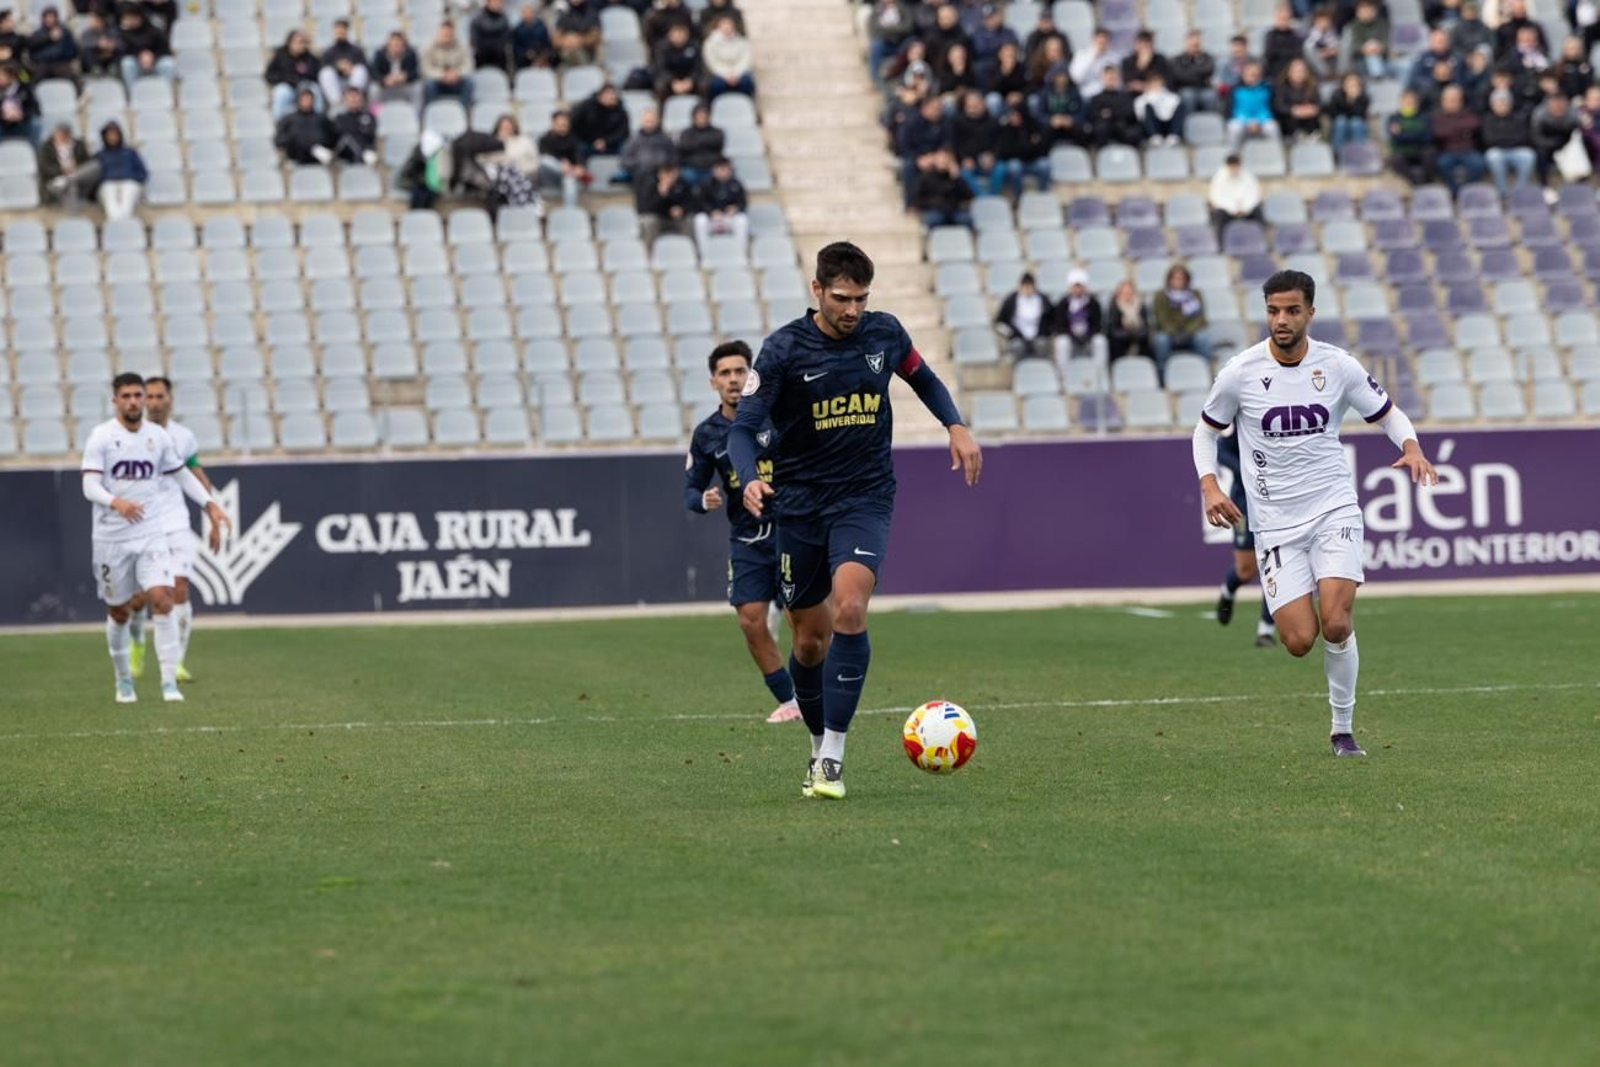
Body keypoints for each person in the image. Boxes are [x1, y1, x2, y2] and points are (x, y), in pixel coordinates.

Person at [728, 241, 981, 800]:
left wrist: (954, 425)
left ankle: (833, 760)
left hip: (864, 498)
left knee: (849, 607)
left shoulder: (884, 334)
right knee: (809, 643)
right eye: (842, 298)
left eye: (861, 299)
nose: (852, 310)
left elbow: (925, 379)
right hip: (798, 507)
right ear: (816, 290)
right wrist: (749, 477)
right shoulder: (784, 350)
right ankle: (817, 744)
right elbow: (743, 428)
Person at [1194, 270, 1437, 757]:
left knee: (1337, 622)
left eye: (1290, 310)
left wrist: (1411, 446)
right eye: (1272, 311)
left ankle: (1342, 730)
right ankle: (1332, 703)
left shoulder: (1338, 366)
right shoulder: (1240, 373)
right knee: (1300, 639)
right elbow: (1205, 431)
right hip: (1275, 523)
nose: (1280, 320)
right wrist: (1209, 485)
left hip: (1333, 508)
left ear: (1309, 312)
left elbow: (1387, 412)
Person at [81, 373, 230, 704]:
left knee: (164, 597)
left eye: (138, 395)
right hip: (111, 538)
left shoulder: (158, 438)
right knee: (120, 611)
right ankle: (123, 681)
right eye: (128, 396)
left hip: (150, 532)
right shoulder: (101, 438)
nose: (135, 401)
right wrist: (115, 502)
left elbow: (182, 474)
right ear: (116, 401)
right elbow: (89, 486)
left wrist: (210, 505)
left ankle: (168, 682)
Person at [684, 341, 800, 725]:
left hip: (791, 529)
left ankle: (813, 691)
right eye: (725, 373)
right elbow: (690, 490)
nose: (733, 380)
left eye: (740, 372)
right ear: (713, 382)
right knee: (750, 620)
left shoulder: (777, 416)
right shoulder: (707, 434)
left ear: (752, 377)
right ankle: (790, 700)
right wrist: (704, 500)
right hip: (748, 538)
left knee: (807, 619)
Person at [128, 377, 215, 684]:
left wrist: (213, 513)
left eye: (158, 396)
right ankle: (137, 643)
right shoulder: (131, 436)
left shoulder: (184, 437)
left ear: (169, 399)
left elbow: (196, 473)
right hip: (142, 522)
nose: (153, 402)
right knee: (139, 598)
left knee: (179, 589)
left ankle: (176, 661)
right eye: (148, 396)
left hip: (176, 521)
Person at [1212, 421, 1277, 648]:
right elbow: (1221, 450)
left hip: (1278, 503)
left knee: (1275, 567)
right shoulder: (1243, 420)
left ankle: (1265, 631)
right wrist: (1248, 471)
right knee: (1245, 570)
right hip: (1243, 503)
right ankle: (1227, 590)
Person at [1150, 264, 1213, 376]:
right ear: (1169, 279)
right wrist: (1174, 332)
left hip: (1190, 333)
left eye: (1181, 278)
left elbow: (1199, 318)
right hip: (1169, 333)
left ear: (1187, 280)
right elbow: (1161, 318)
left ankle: (1207, 372)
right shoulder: (1160, 295)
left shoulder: (1195, 294)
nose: (1178, 281)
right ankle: (1162, 374)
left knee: (1202, 338)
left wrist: (1186, 332)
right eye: (1175, 278)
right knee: (1161, 340)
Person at [1431, 84, 1486, 193]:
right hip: (1448, 151)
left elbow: (1474, 125)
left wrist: (1452, 128)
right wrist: (1461, 129)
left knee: (1479, 164)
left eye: (1455, 100)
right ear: (1443, 101)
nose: (1452, 103)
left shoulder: (1468, 113)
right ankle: (1455, 190)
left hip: (1468, 150)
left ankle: (1465, 189)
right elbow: (1439, 133)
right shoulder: (1437, 116)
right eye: (1449, 100)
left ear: (1461, 101)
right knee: (1442, 164)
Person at [1052, 268, 1108, 372]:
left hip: (1088, 337)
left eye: (1080, 286)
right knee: (1062, 342)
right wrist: (1073, 337)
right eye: (1075, 286)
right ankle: (1063, 375)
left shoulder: (1093, 303)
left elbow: (1097, 324)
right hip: (1070, 337)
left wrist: (1087, 336)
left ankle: (1100, 373)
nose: (1078, 289)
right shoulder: (1063, 303)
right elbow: (1060, 326)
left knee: (1100, 341)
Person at [995, 272, 1054, 360]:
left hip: (1038, 336)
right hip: (1018, 337)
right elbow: (999, 322)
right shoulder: (1011, 300)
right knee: (1016, 346)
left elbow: (1051, 318)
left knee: (1042, 344)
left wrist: (1046, 331)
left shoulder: (1042, 299)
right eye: (1025, 286)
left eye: (1030, 286)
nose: (1027, 289)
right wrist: (1011, 334)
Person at [692, 156, 748, 249]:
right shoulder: (706, 184)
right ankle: (703, 252)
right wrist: (711, 211)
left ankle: (741, 251)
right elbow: (700, 203)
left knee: (742, 220)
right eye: (720, 169)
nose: (723, 171)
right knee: (700, 220)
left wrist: (736, 208)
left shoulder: (736, 184)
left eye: (726, 168)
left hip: (729, 217)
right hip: (712, 218)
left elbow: (743, 203)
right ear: (714, 170)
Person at [265, 29, 322, 119]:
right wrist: (284, 80)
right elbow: (269, 74)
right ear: (289, 43)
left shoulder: (309, 57)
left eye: (303, 42)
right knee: (281, 92)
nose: (301, 45)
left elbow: (315, 74)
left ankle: (317, 120)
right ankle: (279, 124)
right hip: (287, 87)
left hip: (304, 86)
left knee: (315, 89)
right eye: (298, 42)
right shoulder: (280, 55)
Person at [912, 147, 975, 229]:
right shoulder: (926, 177)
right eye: (940, 158)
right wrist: (933, 203)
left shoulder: (956, 177)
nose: (942, 161)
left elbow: (969, 195)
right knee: (933, 220)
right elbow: (918, 199)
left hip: (954, 210)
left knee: (966, 220)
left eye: (945, 159)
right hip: (935, 210)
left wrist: (956, 179)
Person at [94, 121, 146, 220]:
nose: (112, 137)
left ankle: (121, 225)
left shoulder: (130, 152)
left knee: (127, 196)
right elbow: (95, 174)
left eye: (114, 134)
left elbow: (142, 172)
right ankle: (119, 225)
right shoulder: (100, 155)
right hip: (108, 183)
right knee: (110, 201)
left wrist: (132, 177)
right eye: (109, 135)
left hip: (129, 182)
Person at [537, 110, 589, 205]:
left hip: (568, 176)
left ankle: (569, 213)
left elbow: (580, 156)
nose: (562, 124)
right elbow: (545, 154)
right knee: (544, 160)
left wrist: (579, 167)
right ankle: (569, 171)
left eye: (564, 122)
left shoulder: (574, 140)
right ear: (553, 123)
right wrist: (561, 163)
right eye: (559, 122)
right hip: (550, 177)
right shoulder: (544, 139)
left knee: (569, 178)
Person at [275, 87, 337, 164]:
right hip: (297, 154)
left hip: (318, 155)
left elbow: (332, 136)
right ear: (298, 101)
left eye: (309, 99)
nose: (307, 102)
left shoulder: (321, 118)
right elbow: (279, 138)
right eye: (304, 99)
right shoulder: (289, 119)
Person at [38, 121, 93, 206]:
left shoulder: (79, 145)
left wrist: (75, 169)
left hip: (77, 175)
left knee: (94, 167)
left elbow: (87, 162)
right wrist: (63, 171)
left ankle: (69, 181)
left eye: (66, 133)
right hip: (56, 178)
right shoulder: (46, 147)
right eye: (61, 133)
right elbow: (44, 168)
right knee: (71, 186)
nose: (63, 136)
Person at [1386, 88, 1435, 184]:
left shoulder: (1424, 117)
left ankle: (1426, 180)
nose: (1409, 102)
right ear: (1401, 102)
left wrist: (1403, 133)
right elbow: (1395, 139)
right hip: (1401, 151)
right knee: (1394, 160)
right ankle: (1416, 181)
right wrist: (1416, 134)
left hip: (1419, 151)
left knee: (1431, 153)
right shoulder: (1393, 118)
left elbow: (1427, 138)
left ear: (1417, 102)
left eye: (1412, 100)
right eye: (1406, 100)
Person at [1086, 64, 1142, 147]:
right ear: (1103, 78)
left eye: (1113, 78)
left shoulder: (1126, 97)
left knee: (1134, 132)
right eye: (1109, 77)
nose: (1111, 79)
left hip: (1122, 129)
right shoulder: (1096, 98)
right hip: (1104, 130)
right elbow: (1093, 115)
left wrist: (1110, 114)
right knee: (1102, 127)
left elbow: (1130, 113)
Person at [1226, 61, 1277, 151]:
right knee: (1234, 128)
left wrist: (1258, 121)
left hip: (1262, 121)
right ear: (1243, 75)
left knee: (1272, 127)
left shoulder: (1267, 89)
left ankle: (1275, 153)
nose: (1253, 77)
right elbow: (1233, 110)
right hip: (1241, 120)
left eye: (1256, 75)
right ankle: (1233, 156)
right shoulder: (1235, 89)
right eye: (1249, 74)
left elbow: (1268, 109)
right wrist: (1247, 121)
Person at [637, 161, 693, 244]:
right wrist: (662, 194)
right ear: (659, 174)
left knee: (689, 220)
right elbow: (645, 208)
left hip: (677, 219)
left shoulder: (683, 185)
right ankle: (649, 254)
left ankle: (691, 251)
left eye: (672, 173)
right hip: (659, 218)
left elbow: (691, 203)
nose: (669, 176)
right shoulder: (651, 186)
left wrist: (682, 209)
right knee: (649, 221)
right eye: (666, 173)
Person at [422, 20, 474, 107]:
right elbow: (425, 69)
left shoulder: (462, 45)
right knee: (429, 84)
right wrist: (442, 75)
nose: (446, 37)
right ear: (439, 33)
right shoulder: (429, 47)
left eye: (449, 35)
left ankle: (464, 112)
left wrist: (456, 74)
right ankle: (432, 111)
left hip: (456, 80)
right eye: (444, 34)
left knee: (469, 82)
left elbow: (468, 65)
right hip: (438, 81)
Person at [1208, 152, 1263, 233]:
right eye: (1232, 168)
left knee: (1258, 211)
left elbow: (1255, 194)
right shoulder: (1219, 178)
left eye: (1236, 167)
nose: (1234, 170)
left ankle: (1260, 239)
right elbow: (1216, 198)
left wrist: (1245, 207)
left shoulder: (1248, 176)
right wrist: (1233, 208)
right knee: (1219, 215)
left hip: (1246, 210)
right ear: (1227, 167)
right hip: (1228, 211)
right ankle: (1221, 244)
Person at [572, 83, 630, 158]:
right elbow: (577, 126)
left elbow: (623, 132)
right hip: (588, 142)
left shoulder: (621, 111)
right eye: (608, 94)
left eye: (614, 94)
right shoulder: (586, 107)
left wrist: (606, 141)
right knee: (579, 148)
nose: (612, 97)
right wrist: (594, 141)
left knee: (625, 148)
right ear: (600, 96)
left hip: (611, 144)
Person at [702, 14, 754, 98]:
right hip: (719, 74)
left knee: (747, 82)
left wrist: (736, 74)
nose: (726, 27)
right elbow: (713, 63)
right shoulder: (710, 43)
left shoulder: (742, 41)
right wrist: (726, 75)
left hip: (739, 73)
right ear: (718, 26)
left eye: (729, 24)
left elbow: (746, 60)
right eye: (723, 24)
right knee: (716, 84)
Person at [1170, 30, 1219, 114]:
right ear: (1186, 43)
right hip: (1186, 89)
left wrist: (1189, 71)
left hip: (1204, 89)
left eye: (1197, 44)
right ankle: (1188, 124)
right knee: (1188, 96)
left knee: (1211, 96)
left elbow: (1209, 70)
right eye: (1192, 44)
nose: (1195, 46)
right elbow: (1179, 76)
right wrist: (1199, 74)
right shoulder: (1178, 59)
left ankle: (1210, 124)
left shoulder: (1208, 57)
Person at [370, 30, 422, 108]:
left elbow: (416, 72)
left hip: (404, 84)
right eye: (393, 45)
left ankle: (416, 115)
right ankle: (374, 115)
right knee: (374, 89)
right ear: (388, 45)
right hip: (386, 85)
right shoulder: (380, 54)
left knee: (418, 88)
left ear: (404, 46)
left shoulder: (411, 54)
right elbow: (374, 72)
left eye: (398, 45)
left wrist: (405, 76)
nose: (396, 48)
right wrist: (384, 80)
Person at [28, 7, 79, 83]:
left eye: (52, 17)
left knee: (70, 75)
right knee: (36, 76)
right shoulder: (38, 33)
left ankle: (80, 93)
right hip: (43, 63)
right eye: (47, 17)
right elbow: (31, 47)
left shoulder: (65, 32)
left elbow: (72, 50)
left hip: (60, 62)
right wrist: (49, 38)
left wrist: (64, 57)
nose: (49, 20)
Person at [677, 103, 724, 185]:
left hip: (711, 168)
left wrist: (696, 142)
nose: (701, 119)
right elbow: (685, 146)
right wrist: (706, 142)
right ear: (693, 118)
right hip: (691, 168)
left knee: (721, 174)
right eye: (699, 116)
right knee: (686, 176)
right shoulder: (686, 133)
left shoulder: (717, 132)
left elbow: (718, 142)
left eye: (704, 116)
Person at [1105, 279, 1151, 360]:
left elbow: (1146, 327)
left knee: (1145, 341)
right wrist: (1128, 334)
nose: (1127, 296)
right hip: (1121, 338)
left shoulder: (1141, 306)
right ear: (1119, 293)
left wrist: (1135, 334)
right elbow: (1112, 329)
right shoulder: (1114, 306)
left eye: (1129, 293)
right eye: (1124, 293)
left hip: (1138, 336)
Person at [1135, 72, 1185, 144]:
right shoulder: (1141, 99)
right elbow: (1140, 116)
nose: (1156, 85)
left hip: (1168, 125)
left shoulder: (1171, 96)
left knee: (1180, 105)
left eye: (1158, 83)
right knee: (1147, 106)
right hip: (1154, 126)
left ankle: (1174, 135)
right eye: (1153, 83)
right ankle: (1154, 136)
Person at [332, 86, 378, 164]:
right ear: (344, 100)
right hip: (346, 158)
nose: (353, 99)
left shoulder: (369, 117)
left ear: (362, 99)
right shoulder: (340, 118)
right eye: (350, 97)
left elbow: (371, 135)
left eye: (356, 96)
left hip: (367, 157)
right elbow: (343, 138)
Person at [1326, 72, 1370, 155]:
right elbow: (1333, 114)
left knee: (1355, 122)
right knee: (1341, 121)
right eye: (1349, 84)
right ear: (1343, 85)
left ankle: (1358, 153)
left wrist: (1354, 101)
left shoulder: (1364, 97)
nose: (1352, 87)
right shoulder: (1336, 95)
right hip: (1341, 125)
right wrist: (1347, 100)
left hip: (1357, 125)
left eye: (1354, 84)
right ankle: (1338, 154)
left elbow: (1360, 114)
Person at [470, 0, 513, 72]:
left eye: (500, 2)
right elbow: (475, 40)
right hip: (482, 57)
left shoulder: (504, 19)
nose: (498, 4)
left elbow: (506, 38)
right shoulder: (477, 19)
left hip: (499, 57)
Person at [511, 3, 554, 69]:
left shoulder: (541, 26)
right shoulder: (518, 30)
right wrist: (526, 54)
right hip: (525, 61)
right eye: (525, 13)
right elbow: (516, 48)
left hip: (542, 58)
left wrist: (542, 57)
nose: (528, 15)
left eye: (529, 12)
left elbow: (547, 44)